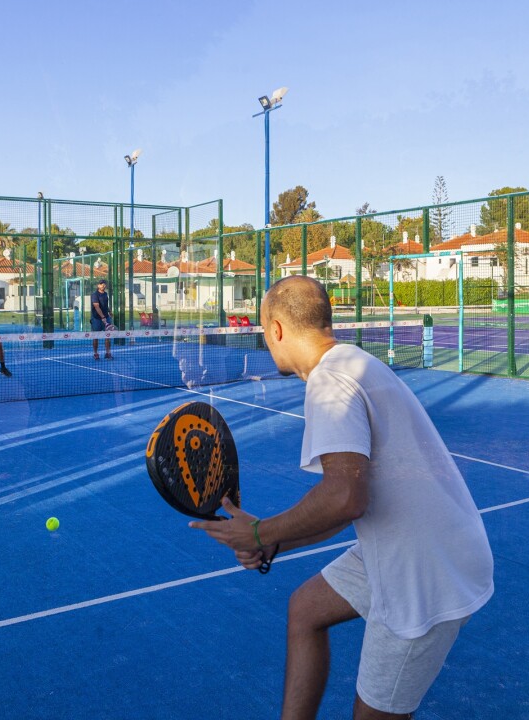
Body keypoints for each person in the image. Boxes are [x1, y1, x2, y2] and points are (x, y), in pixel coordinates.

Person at [189, 276, 493, 720]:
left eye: (263, 332)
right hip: (425, 546)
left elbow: (345, 497)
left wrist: (258, 533)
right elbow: (351, 501)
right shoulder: (354, 361)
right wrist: (274, 542)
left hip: (423, 571)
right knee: (306, 610)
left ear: (276, 329)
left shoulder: (330, 382)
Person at [90, 279, 114, 360]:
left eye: (104, 284)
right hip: (96, 319)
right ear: (98, 285)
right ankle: (95, 353)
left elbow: (105, 305)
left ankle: (108, 353)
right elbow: (97, 307)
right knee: (95, 337)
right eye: (101, 284)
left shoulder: (105, 294)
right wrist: (103, 317)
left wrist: (109, 311)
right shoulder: (94, 295)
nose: (103, 285)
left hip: (106, 318)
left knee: (108, 336)